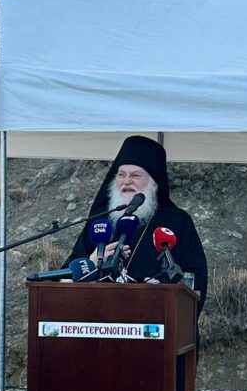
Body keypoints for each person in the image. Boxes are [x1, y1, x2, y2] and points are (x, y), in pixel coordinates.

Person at [64, 135, 207, 316]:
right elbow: (65, 275)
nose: (126, 181)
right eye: (121, 175)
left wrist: (162, 289)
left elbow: (195, 280)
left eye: (135, 175)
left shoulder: (177, 221)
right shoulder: (101, 222)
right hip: (99, 323)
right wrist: (91, 262)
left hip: (157, 323)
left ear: (154, 183)